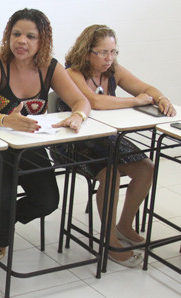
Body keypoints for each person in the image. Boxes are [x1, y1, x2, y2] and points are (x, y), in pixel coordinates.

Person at [0, 8, 91, 258]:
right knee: (3, 191)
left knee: (48, 200)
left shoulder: (50, 67)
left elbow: (81, 101)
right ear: (8, 35)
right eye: (16, 34)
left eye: (30, 36)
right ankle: (0, 235)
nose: (21, 41)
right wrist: (6, 120)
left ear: (42, 41)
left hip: (28, 144)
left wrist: (77, 116)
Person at [59, 25, 176, 267]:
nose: (108, 58)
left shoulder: (114, 70)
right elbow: (95, 102)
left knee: (146, 168)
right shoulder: (72, 73)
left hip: (109, 137)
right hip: (75, 141)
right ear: (86, 51)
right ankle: (109, 238)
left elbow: (147, 89)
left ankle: (125, 225)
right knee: (110, 174)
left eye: (113, 52)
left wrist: (162, 98)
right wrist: (134, 100)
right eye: (102, 52)